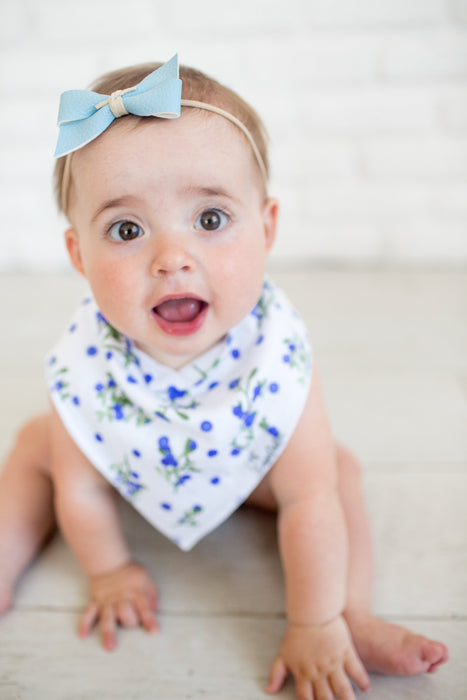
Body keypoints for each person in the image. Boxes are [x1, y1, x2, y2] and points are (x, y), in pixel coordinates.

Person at [0, 55, 448, 700]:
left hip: (241, 461)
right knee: (33, 447)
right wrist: (109, 571)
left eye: (210, 220)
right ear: (78, 254)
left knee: (331, 473)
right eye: (126, 230)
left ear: (266, 228)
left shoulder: (277, 358)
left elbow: (306, 500)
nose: (172, 259)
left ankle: (346, 616)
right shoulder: (81, 369)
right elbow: (83, 493)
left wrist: (311, 619)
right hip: (123, 456)